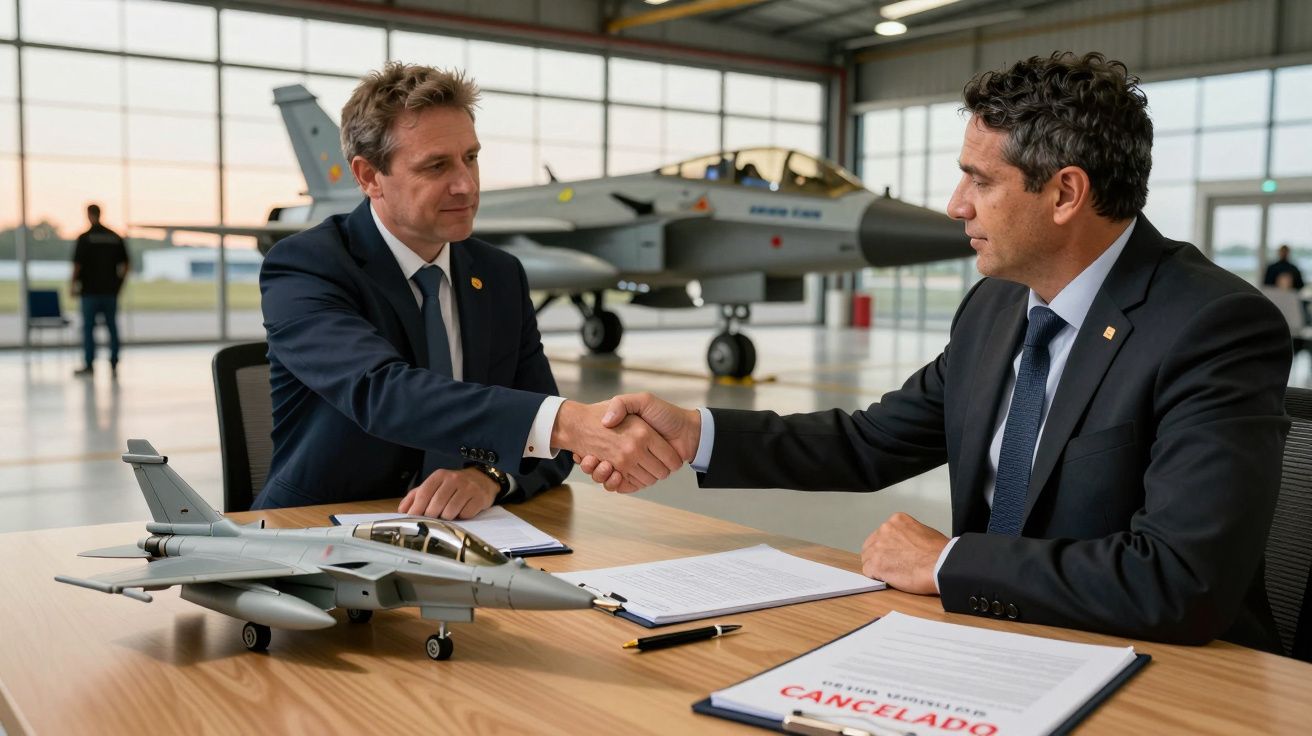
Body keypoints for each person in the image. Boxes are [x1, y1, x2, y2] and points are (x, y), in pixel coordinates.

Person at [579, 52, 1292, 652]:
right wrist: (697, 433)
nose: (957, 204)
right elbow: (868, 444)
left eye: (980, 180)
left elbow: (1180, 581)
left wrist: (949, 560)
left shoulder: (1212, 326)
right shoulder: (995, 307)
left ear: (1066, 193)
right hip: (992, 645)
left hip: (1165, 673)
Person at [254, 62, 680, 518]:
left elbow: (548, 453)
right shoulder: (306, 265)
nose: (466, 185)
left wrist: (487, 477)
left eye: (471, 158)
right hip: (318, 531)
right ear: (368, 177)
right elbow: (383, 393)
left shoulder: (499, 274)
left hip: (468, 537)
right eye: (436, 165)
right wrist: (568, 421)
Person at [70, 203, 129, 377]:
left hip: (90, 292)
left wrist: (72, 285)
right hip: (110, 291)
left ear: (89, 215)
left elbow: (77, 265)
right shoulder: (114, 237)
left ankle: (89, 364)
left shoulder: (85, 238)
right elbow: (126, 265)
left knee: (88, 328)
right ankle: (114, 362)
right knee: (112, 327)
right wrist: (119, 284)